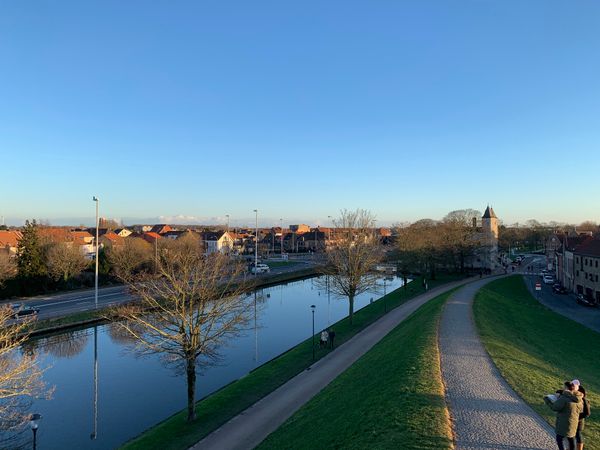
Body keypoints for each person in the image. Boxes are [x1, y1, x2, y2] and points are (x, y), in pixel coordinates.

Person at [544, 381, 583, 450]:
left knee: (559, 438)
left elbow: (555, 407)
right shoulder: (580, 399)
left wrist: (547, 400)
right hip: (574, 424)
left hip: (563, 423)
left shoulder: (564, 398)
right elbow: (580, 410)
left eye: (564, 387)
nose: (563, 388)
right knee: (571, 438)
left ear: (567, 388)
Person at [575, 384, 591, 450]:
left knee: (578, 435)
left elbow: (587, 413)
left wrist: (577, 417)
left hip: (579, 422)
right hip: (575, 420)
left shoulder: (584, 401)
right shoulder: (578, 399)